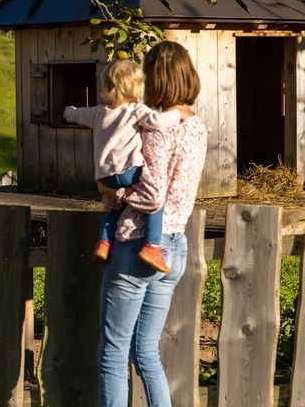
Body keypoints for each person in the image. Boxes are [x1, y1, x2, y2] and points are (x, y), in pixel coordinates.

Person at [95, 41, 207, 407]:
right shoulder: (197, 127)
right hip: (173, 244)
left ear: (155, 80)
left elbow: (153, 195)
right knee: (145, 352)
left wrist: (115, 196)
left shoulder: (158, 130)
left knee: (113, 352)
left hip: (137, 246)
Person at [63, 58, 181, 272]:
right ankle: (152, 246)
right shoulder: (135, 110)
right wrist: (178, 115)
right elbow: (158, 122)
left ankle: (104, 243)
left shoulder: (98, 112)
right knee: (155, 200)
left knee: (113, 205)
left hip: (105, 175)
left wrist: (68, 111)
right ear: (136, 87)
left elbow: (77, 114)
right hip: (129, 171)